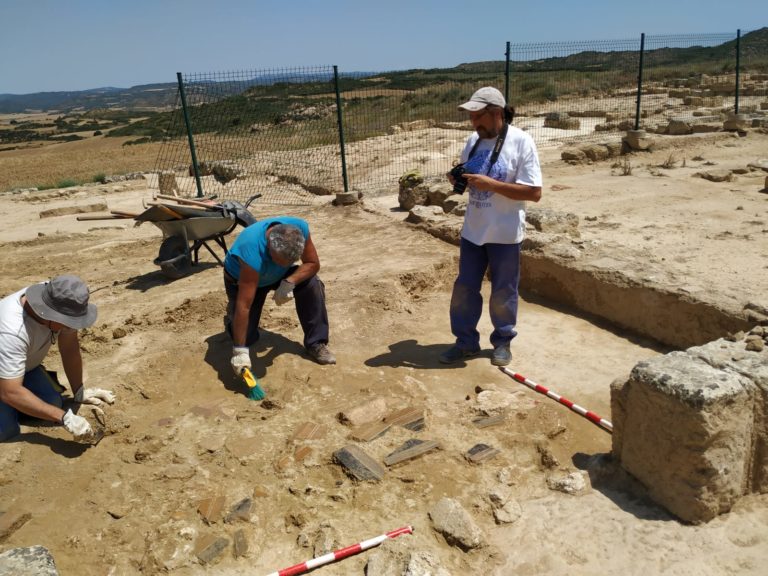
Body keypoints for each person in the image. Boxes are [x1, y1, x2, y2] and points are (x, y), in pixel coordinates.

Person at [440, 86, 542, 367]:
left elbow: (534, 192)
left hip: (505, 235)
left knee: (503, 291)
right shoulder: (473, 140)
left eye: (478, 116)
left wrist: (492, 185)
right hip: (473, 231)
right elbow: (468, 177)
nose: (473, 123)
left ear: (496, 113)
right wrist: (456, 178)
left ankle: (503, 342)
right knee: (464, 289)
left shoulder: (522, 141)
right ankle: (465, 343)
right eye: (471, 117)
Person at [0, 275, 115, 443]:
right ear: (49, 314)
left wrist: (79, 391)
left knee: (52, 402)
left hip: (23, 366)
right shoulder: (11, 331)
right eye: (68, 322)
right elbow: (10, 392)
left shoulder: (57, 297)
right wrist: (64, 418)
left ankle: (14, 395)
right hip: (6, 376)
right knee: (6, 430)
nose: (72, 326)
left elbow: (69, 349)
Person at [223, 216, 335, 376]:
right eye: (281, 261)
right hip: (244, 279)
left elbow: (312, 263)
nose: (288, 264)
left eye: (290, 262)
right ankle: (232, 319)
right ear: (270, 247)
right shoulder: (251, 250)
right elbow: (244, 305)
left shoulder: (300, 228)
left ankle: (316, 343)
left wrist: (290, 281)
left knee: (311, 283)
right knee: (246, 338)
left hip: (276, 275)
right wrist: (240, 351)